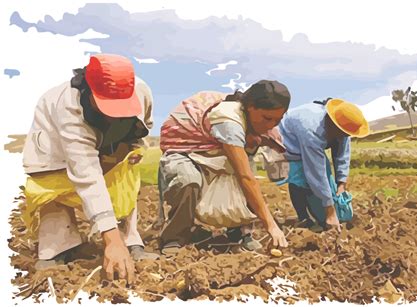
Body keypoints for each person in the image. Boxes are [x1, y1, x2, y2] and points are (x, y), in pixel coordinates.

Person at [22, 54, 158, 283]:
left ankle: (129, 240)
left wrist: (130, 149)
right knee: (53, 187)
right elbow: (86, 175)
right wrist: (110, 239)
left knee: (125, 174)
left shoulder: (141, 91)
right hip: (54, 153)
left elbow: (144, 125)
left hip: (110, 143)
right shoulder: (68, 108)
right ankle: (58, 246)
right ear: (90, 91)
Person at [158, 80, 291, 255]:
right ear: (250, 107)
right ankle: (175, 237)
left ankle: (240, 233)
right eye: (267, 118)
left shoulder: (261, 125)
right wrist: (271, 225)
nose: (271, 125)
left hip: (216, 151)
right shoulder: (228, 120)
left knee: (242, 179)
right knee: (188, 181)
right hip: (185, 150)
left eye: (278, 119)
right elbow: (245, 177)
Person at [278, 98, 369, 231]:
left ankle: (319, 212)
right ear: (333, 124)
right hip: (286, 143)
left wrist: (341, 183)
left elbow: (343, 153)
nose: (345, 136)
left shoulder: (343, 126)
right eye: (343, 134)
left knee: (329, 194)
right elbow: (316, 173)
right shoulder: (311, 130)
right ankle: (304, 218)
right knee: (300, 179)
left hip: (309, 141)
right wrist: (330, 213)